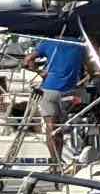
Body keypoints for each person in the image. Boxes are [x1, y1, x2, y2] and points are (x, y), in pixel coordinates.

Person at [38, 32, 91, 165]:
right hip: (68, 92)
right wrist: (88, 77)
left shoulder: (48, 43)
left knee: (51, 128)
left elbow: (27, 61)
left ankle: (54, 162)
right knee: (59, 129)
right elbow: (90, 68)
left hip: (49, 90)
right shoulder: (79, 46)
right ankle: (59, 159)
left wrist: (40, 73)